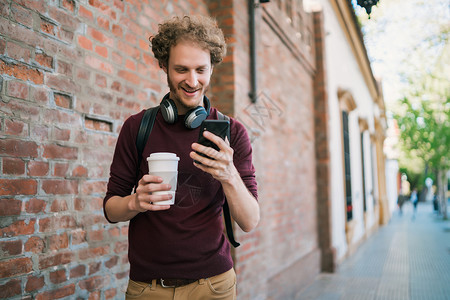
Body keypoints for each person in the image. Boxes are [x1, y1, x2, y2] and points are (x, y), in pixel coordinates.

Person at [103, 15, 260, 300]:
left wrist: (228, 174)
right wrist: (135, 202)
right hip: (147, 288)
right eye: (181, 69)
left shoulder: (233, 132)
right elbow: (112, 209)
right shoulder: (137, 127)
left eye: (201, 69)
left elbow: (249, 221)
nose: (192, 81)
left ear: (212, 68)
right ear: (164, 66)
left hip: (213, 287)